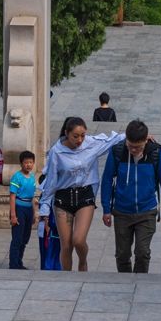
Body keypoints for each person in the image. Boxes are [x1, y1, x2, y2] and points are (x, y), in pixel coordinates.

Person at [38, 116, 125, 272]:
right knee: (66, 244)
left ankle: (83, 262)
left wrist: (140, 135)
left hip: (84, 197)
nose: (80, 140)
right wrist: (44, 207)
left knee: (78, 240)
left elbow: (115, 139)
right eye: (75, 136)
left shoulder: (92, 144)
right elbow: (51, 181)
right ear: (67, 133)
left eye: (83, 135)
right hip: (62, 199)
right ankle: (67, 276)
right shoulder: (57, 151)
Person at [101, 119, 161, 274]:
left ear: (146, 140)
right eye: (130, 146)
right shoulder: (117, 152)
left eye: (138, 147)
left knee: (142, 253)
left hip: (146, 211)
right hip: (121, 212)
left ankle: (140, 282)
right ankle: (125, 281)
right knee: (122, 254)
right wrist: (106, 209)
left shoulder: (156, 153)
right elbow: (107, 180)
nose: (133, 150)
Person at [7, 152, 37, 269]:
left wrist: (34, 213)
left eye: (30, 162)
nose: (28, 165)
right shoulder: (16, 177)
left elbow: (32, 197)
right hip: (19, 208)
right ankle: (13, 264)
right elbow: (12, 196)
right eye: (26, 162)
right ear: (21, 164)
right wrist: (13, 215)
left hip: (28, 209)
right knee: (17, 238)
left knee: (25, 238)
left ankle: (19, 262)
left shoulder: (33, 177)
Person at [37, 173, 62, 271]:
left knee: (51, 249)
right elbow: (44, 212)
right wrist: (47, 225)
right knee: (49, 249)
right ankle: (49, 267)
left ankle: (51, 266)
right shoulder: (47, 195)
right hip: (49, 228)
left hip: (53, 226)